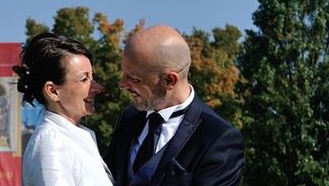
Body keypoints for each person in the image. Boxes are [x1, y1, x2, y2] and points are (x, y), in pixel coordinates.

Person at [104, 25, 244, 186]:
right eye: (123, 73)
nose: (122, 84)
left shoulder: (218, 139)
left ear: (170, 80)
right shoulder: (129, 117)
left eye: (134, 78)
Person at [13, 33, 114, 186]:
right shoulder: (51, 143)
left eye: (93, 77)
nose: (97, 88)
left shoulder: (73, 137)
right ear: (53, 91)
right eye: (84, 79)